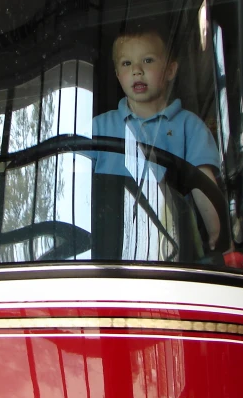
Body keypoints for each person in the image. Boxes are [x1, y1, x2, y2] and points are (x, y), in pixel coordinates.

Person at [92, 23, 223, 250]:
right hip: (107, 242)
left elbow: (204, 187)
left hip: (171, 243)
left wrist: (217, 240)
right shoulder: (98, 127)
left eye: (148, 60)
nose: (137, 70)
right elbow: (79, 182)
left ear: (171, 70)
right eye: (127, 63)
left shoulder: (189, 126)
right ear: (117, 75)